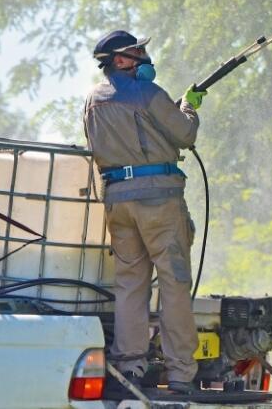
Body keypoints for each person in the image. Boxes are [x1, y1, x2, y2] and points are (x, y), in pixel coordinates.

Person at [83, 30, 206, 394]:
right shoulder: (149, 93)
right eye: (137, 51)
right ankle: (182, 372)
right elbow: (185, 135)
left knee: (130, 285)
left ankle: (131, 367)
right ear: (120, 60)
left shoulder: (92, 99)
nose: (144, 55)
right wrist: (189, 106)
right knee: (173, 282)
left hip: (118, 201)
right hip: (158, 200)